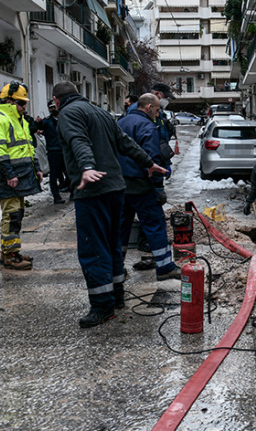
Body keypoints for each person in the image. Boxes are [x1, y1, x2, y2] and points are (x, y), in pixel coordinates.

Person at [53, 81, 167, 328]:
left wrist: (86, 167)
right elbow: (124, 142)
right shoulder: (100, 112)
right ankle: (116, 296)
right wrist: (148, 162)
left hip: (93, 189)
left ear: (57, 101)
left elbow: (78, 141)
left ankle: (102, 306)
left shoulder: (68, 114)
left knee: (93, 247)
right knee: (112, 243)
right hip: (116, 188)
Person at [0, 82, 43, 271]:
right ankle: (9, 255)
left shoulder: (19, 120)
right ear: (9, 101)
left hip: (18, 175)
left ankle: (11, 252)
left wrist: (37, 168)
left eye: (25, 103)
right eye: (20, 103)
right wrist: (9, 173)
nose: (24, 107)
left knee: (17, 213)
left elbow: (28, 148)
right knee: (11, 214)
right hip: (5, 176)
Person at [117, 94, 179, 281]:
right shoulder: (147, 126)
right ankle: (165, 267)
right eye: (157, 109)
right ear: (149, 107)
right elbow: (153, 158)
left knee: (120, 227)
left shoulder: (120, 123)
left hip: (120, 185)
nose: (158, 113)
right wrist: (158, 187)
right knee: (154, 224)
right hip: (142, 186)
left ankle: (117, 268)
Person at [35, 102, 70, 204]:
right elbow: (38, 127)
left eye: (54, 107)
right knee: (54, 174)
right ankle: (56, 195)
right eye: (51, 108)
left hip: (64, 150)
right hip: (53, 151)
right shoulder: (47, 121)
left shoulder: (65, 119)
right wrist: (38, 123)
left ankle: (72, 191)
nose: (53, 109)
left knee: (69, 172)